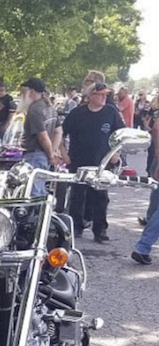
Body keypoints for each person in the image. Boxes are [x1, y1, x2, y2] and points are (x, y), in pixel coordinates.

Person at [60, 82, 126, 242]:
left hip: (102, 163)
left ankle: (100, 229)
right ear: (90, 96)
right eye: (101, 94)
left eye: (106, 95)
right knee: (78, 196)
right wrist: (63, 154)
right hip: (79, 161)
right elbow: (60, 132)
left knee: (101, 197)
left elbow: (121, 133)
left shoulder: (111, 112)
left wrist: (116, 153)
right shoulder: (77, 113)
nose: (105, 97)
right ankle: (76, 226)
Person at [19, 78, 61, 196]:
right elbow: (58, 131)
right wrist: (53, 151)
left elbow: (42, 136)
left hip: (35, 156)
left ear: (31, 92)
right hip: (43, 156)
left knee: (33, 193)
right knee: (40, 190)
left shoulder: (34, 110)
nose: (22, 95)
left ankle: (35, 214)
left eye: (24, 91)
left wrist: (50, 154)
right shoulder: (50, 108)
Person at [0, 81, 15, 152]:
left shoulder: (9, 99)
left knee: (5, 144)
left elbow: (12, 112)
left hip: (3, 124)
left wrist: (6, 124)